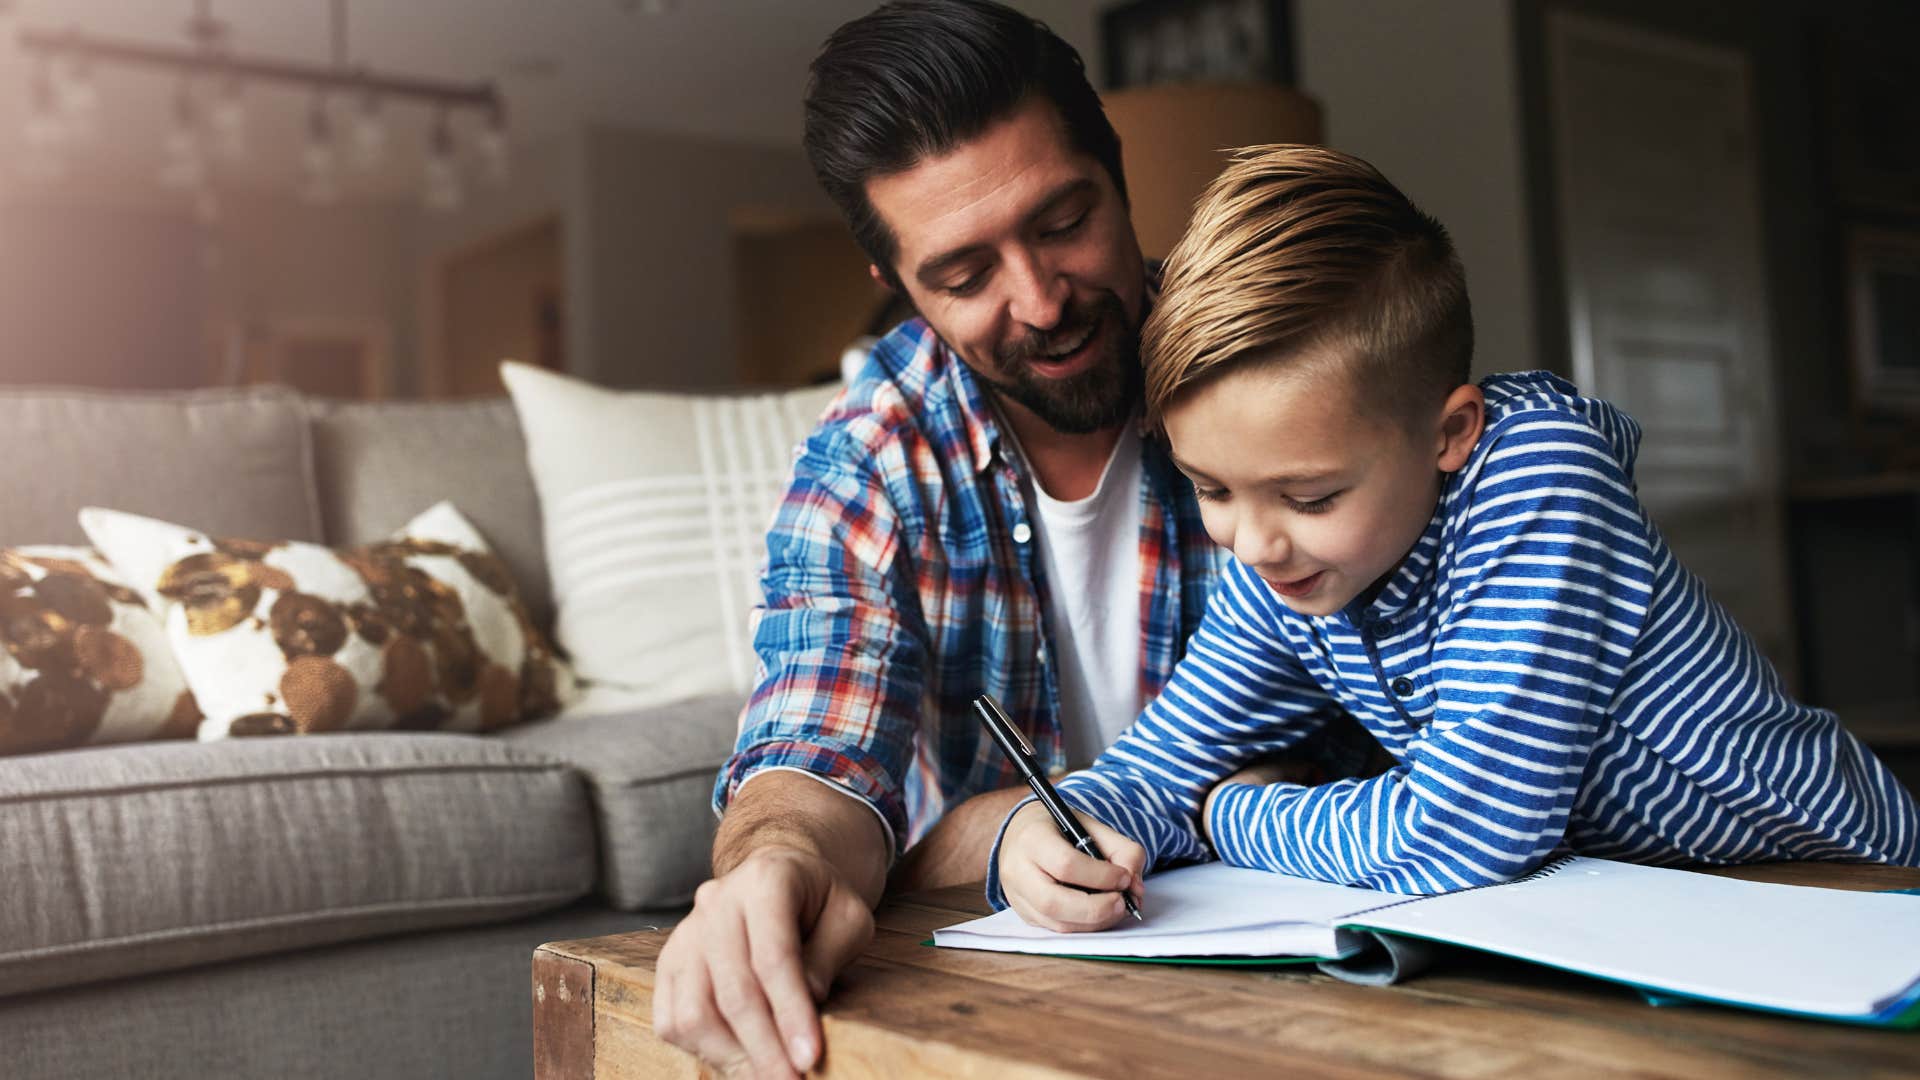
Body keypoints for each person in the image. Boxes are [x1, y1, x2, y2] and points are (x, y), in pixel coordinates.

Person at [650, 6, 1385, 1078]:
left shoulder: (1284, 367)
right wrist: (778, 864)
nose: (1041, 302)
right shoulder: (868, 463)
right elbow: (820, 759)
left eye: (1062, 220)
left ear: (1117, 172)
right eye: (963, 276)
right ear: (895, 288)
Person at [993, 144, 1920, 933]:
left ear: (1450, 433)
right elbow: (1157, 768)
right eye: (1211, 489)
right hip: (1655, 915)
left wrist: (1228, 810)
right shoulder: (1278, 560)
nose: (1255, 543)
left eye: (1309, 496)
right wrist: (1061, 830)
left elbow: (1461, 834)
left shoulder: (1537, 478)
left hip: (1846, 886)